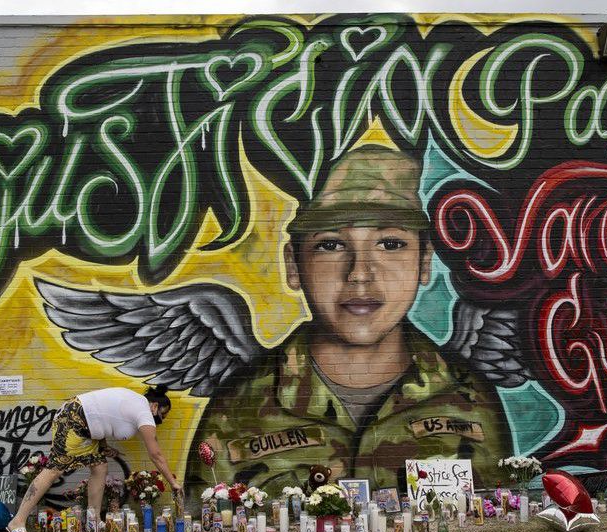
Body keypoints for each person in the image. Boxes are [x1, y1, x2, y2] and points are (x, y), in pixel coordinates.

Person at [185, 145, 509, 495]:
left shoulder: (469, 400)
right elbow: (212, 527)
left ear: (425, 262)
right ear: (294, 266)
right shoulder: (239, 408)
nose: (359, 274)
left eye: (389, 244)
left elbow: (489, 523)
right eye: (331, 245)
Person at [6, 385, 181, 532]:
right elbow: (155, 455)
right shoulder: (143, 410)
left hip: (83, 424)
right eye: (161, 416)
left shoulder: (135, 402)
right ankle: (17, 521)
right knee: (53, 470)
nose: (160, 421)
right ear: (155, 406)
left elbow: (102, 416)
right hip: (73, 419)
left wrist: (104, 447)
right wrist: (172, 483)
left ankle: (94, 519)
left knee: (100, 467)